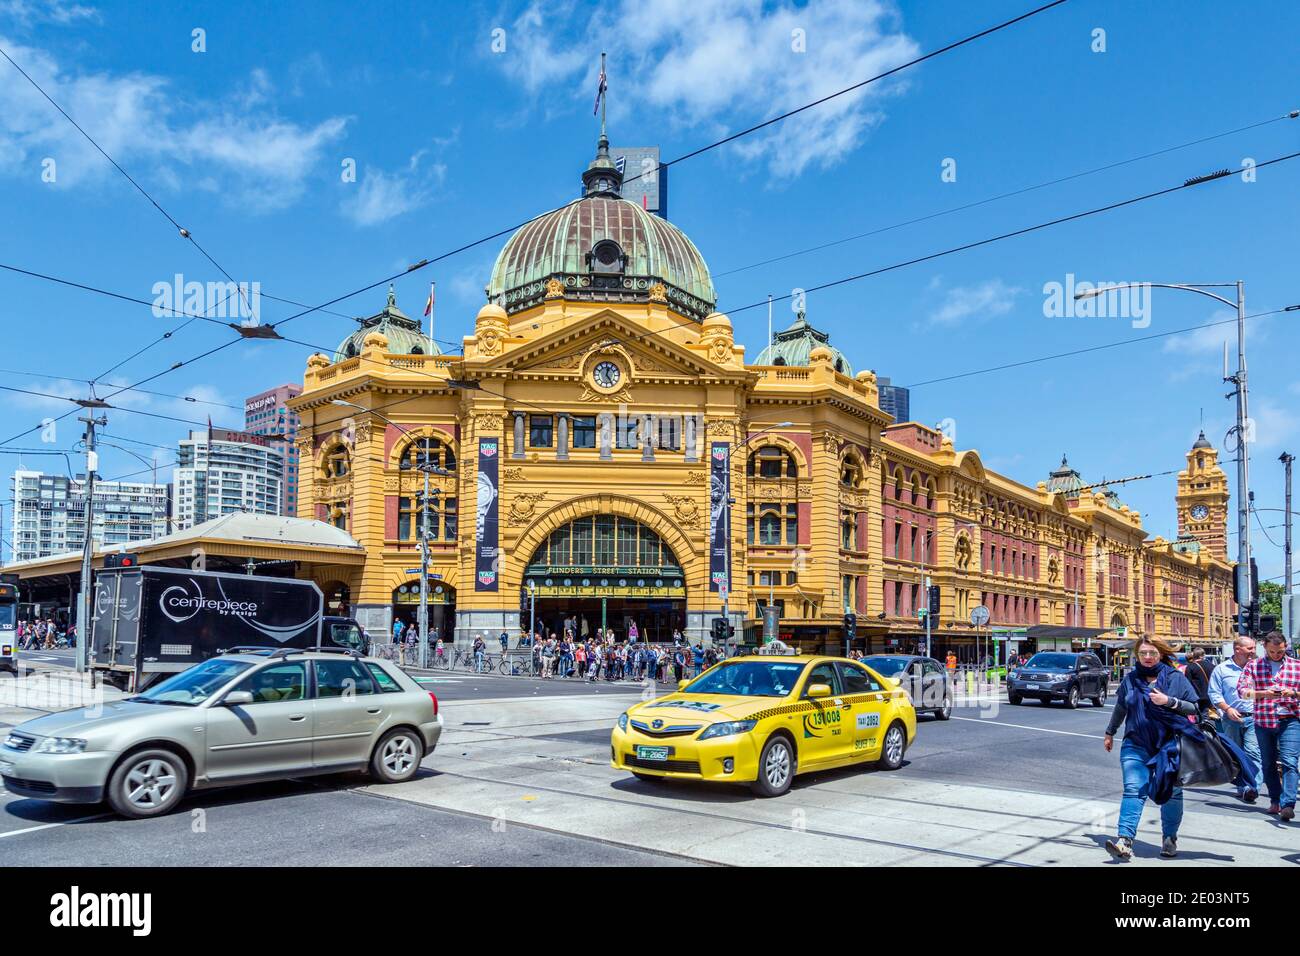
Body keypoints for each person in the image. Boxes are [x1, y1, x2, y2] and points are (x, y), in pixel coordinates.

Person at [1102, 637, 1202, 860]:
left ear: (1161, 654)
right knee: (1134, 788)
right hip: (1135, 743)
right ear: (1137, 655)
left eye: (1152, 653)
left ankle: (1169, 839)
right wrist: (1110, 732)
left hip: (1170, 746)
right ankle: (1125, 841)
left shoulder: (1176, 678)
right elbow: (1121, 707)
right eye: (1143, 653)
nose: (1147, 658)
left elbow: (1194, 706)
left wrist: (1169, 701)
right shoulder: (1131, 679)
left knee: (1171, 793)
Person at [1237, 631, 1300, 821]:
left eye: (1280, 652)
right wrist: (1263, 693)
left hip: (1290, 719)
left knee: (1290, 760)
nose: (1276, 655)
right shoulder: (1253, 666)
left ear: (1285, 648)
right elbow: (1243, 692)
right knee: (1268, 762)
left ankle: (1288, 804)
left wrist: (1292, 693)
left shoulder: (1296, 666)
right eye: (1272, 651)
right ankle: (1275, 799)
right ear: (1264, 647)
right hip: (1264, 720)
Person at [1209, 635, 1263, 803]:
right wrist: (1227, 709)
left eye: (1254, 648)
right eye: (1250, 648)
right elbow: (1214, 693)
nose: (1253, 651)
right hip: (1231, 718)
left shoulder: (1259, 668)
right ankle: (1242, 785)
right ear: (1237, 649)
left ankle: (1252, 787)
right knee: (1235, 753)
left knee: (1253, 752)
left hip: (1254, 717)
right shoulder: (1221, 669)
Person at [1184, 647, 1213, 718]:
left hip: (1197, 696)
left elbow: (1187, 683)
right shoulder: (1212, 666)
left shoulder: (1190, 667)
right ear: (1202, 656)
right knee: (1209, 716)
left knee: (1199, 717)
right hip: (1210, 695)